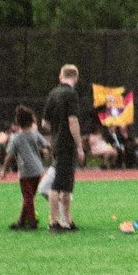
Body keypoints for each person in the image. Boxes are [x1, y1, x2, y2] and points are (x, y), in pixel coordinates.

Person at [43, 65, 85, 232]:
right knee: (58, 185)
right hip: (66, 144)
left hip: (56, 142)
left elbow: (44, 123)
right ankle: (54, 221)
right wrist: (79, 145)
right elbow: (72, 121)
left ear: (61, 76)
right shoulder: (71, 94)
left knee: (66, 185)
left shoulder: (53, 93)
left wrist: (56, 130)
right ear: (75, 77)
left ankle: (67, 220)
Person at [2, 106, 47, 230]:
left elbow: (9, 155)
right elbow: (46, 145)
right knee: (30, 197)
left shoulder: (16, 137)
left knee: (28, 197)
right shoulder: (35, 134)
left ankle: (32, 221)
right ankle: (21, 221)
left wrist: (4, 170)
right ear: (31, 121)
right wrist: (49, 152)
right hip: (38, 170)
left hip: (25, 171)